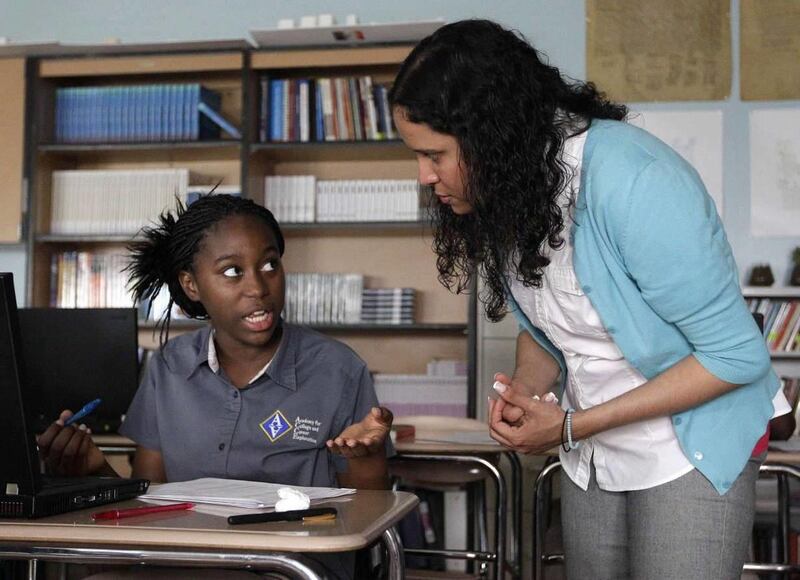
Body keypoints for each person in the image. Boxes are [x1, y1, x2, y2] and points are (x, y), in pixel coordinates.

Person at [389, 19, 789, 580]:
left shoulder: (633, 179)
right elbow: (554, 326)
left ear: (491, 134)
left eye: (435, 154)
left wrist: (573, 427)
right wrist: (527, 391)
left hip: (695, 437)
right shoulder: (514, 188)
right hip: (595, 446)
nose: (424, 176)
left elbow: (734, 357)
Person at [36, 194, 393, 580]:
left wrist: (366, 456)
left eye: (270, 264)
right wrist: (94, 470)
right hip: (187, 560)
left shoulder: (338, 369)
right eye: (231, 271)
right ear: (191, 285)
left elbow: (368, 517)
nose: (258, 286)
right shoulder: (170, 365)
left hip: (291, 567)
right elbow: (149, 502)